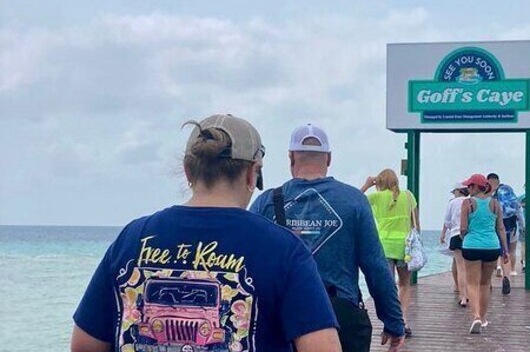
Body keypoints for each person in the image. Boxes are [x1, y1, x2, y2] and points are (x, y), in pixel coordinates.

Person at [71, 114, 341, 352]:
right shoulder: (284, 249)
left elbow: (84, 345)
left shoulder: (132, 238)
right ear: (251, 174)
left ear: (188, 171)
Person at [250, 124, 405, 352]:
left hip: (281, 319)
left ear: (291, 157)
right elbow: (376, 267)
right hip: (340, 317)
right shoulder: (354, 201)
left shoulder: (266, 202)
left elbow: (247, 267)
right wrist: (393, 321)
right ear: (329, 158)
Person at [361, 169, 419, 337]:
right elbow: (417, 222)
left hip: (384, 246)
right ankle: (403, 319)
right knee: (404, 284)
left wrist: (366, 185)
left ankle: (390, 321)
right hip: (405, 248)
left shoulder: (377, 197)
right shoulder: (408, 196)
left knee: (388, 286)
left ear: (379, 183)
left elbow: (353, 199)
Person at [460, 174, 509, 334]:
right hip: (492, 246)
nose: (467, 189)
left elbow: (463, 228)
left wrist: (465, 237)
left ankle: (475, 317)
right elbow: (500, 228)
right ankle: (483, 317)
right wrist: (505, 249)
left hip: (472, 245)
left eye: (469, 186)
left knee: (472, 283)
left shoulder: (467, 203)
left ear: (475, 187)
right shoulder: (495, 204)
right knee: (485, 283)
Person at [486, 172, 522, 294]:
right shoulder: (508, 190)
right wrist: (522, 225)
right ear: (498, 180)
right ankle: (507, 276)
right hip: (511, 226)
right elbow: (518, 209)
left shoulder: (488, 195)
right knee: (508, 252)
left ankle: (488, 282)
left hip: (494, 226)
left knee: (491, 254)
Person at [440, 183, 469, 307]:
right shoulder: (470, 201)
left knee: (460, 267)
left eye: (454, 191)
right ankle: (469, 294)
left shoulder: (452, 203)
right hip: (469, 235)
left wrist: (442, 234)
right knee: (469, 267)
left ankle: (462, 297)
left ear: (458, 191)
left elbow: (447, 221)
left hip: (456, 234)